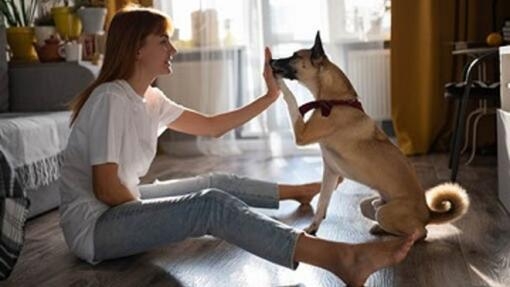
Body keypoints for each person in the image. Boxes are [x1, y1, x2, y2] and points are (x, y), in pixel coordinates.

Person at [59, 6, 417, 287]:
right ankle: (339, 258)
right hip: (96, 227)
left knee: (212, 182)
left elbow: (213, 127)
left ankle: (300, 191)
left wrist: (271, 95)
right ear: (138, 49)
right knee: (210, 206)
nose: (174, 48)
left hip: (122, 204)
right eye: (164, 41)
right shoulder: (110, 99)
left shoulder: (151, 98)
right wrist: (162, 216)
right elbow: (105, 188)